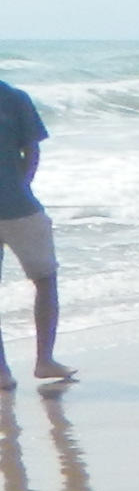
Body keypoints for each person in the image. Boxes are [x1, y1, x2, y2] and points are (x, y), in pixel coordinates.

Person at [0, 69, 70, 388]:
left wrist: (21, 184)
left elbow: (32, 149)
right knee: (45, 278)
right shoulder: (14, 98)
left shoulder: (14, 98)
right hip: (18, 201)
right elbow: (32, 150)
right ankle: (7, 369)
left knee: (45, 277)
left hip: (19, 205)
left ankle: (43, 359)